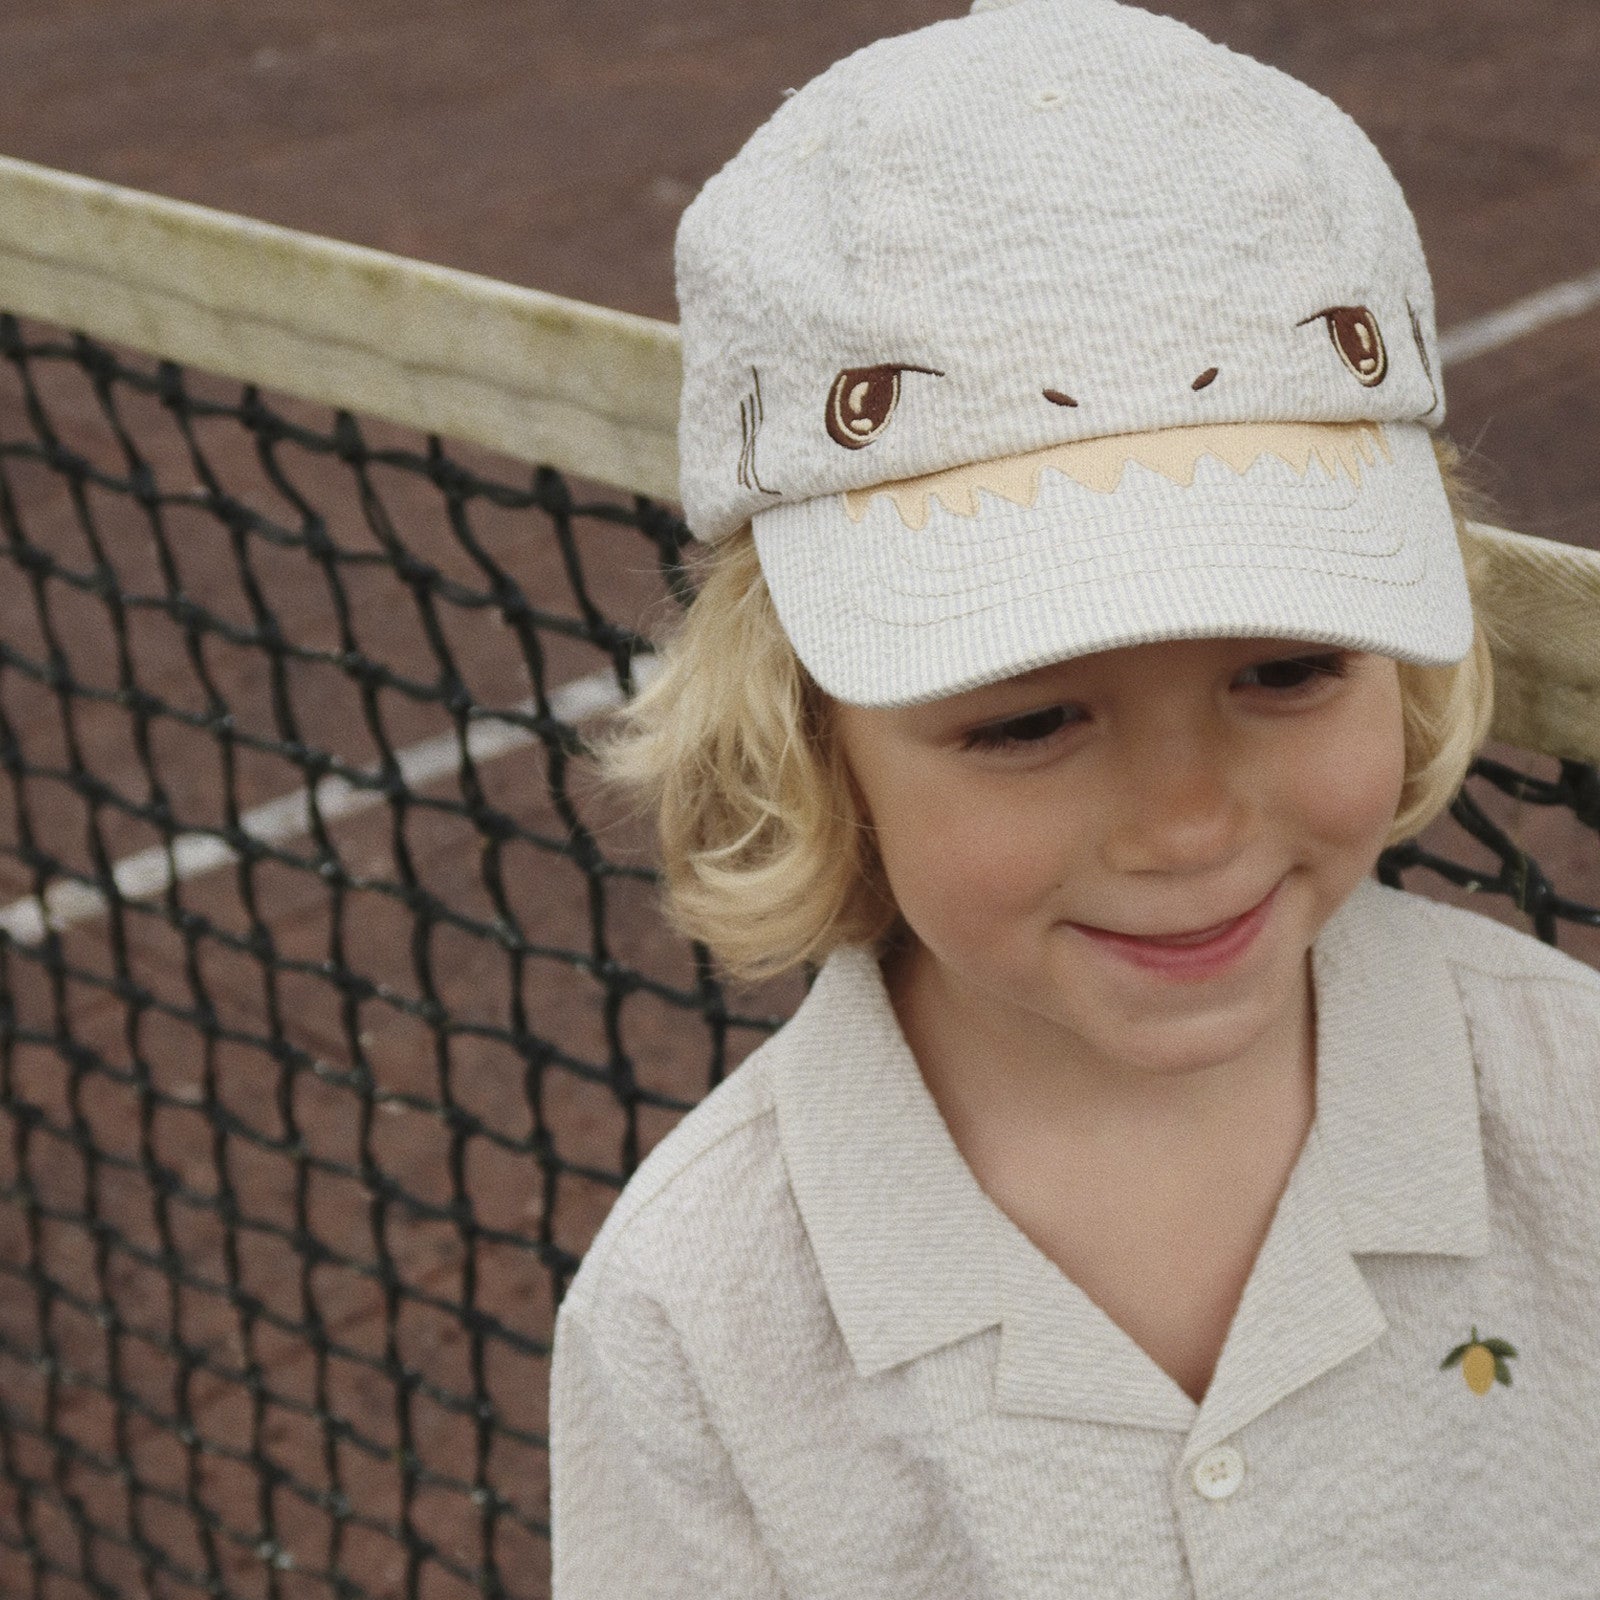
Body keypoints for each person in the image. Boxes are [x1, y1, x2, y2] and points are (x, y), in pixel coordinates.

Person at [549, 1, 1600, 1592]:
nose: (1188, 825)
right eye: (1032, 719)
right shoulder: (695, 1310)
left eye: (1290, 670)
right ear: (806, 734)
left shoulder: (1575, 1105)